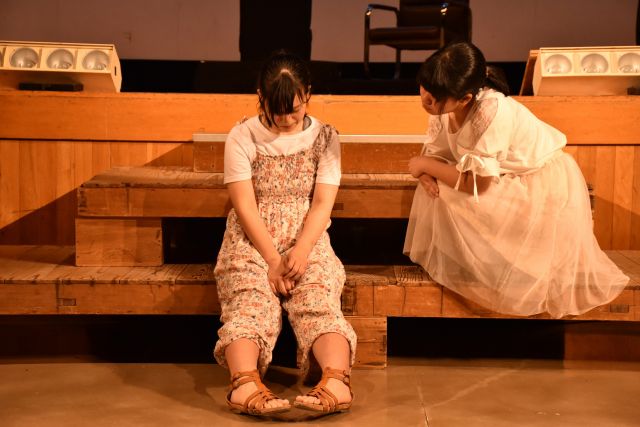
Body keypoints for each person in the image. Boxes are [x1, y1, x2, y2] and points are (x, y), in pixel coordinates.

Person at [404, 41, 629, 318]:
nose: (425, 98)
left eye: (435, 96)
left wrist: (424, 165)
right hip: (499, 178)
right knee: (437, 189)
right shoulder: (443, 111)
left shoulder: (491, 111)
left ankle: (502, 270)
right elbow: (438, 154)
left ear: (464, 98)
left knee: (450, 190)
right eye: (424, 86)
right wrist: (427, 173)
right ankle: (478, 267)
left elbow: (477, 184)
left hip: (539, 184)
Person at [213, 51, 356, 417]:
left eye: (294, 109)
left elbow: (322, 203)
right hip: (253, 239)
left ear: (307, 94)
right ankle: (244, 384)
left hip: (306, 236)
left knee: (318, 298)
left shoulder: (325, 137)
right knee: (249, 301)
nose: (287, 119)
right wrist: (273, 260)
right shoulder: (242, 136)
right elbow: (245, 205)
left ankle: (337, 381)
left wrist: (301, 251)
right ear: (260, 96)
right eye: (277, 111)